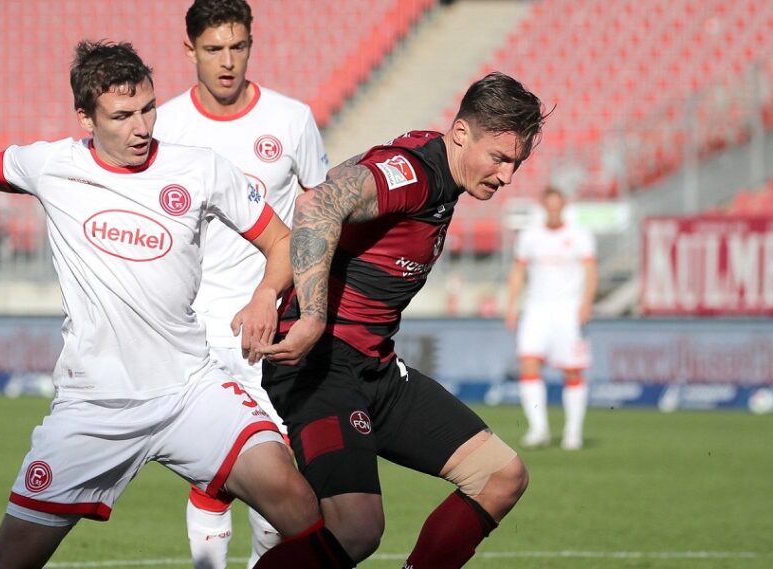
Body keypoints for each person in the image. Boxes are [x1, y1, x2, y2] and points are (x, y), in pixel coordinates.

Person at [0, 40, 354, 569]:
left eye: (148, 110)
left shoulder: (200, 168)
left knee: (297, 505)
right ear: (85, 118)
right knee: (10, 559)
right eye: (122, 116)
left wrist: (264, 295)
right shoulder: (51, 166)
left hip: (190, 389)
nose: (141, 127)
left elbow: (284, 241)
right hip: (96, 406)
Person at [258, 72, 547, 568]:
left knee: (501, 477)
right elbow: (318, 202)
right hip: (321, 366)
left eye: (515, 164)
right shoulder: (415, 173)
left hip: (375, 369)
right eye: (499, 158)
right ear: (462, 134)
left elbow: (335, 184)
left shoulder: (438, 170)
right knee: (357, 528)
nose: (507, 177)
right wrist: (310, 314)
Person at [153, 1, 328, 567]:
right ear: (189, 51)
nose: (227, 61)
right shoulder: (165, 127)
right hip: (194, 328)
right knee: (213, 474)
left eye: (238, 47)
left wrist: (303, 303)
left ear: (251, 44)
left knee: (277, 473)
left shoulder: (292, 119)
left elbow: (320, 219)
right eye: (213, 49)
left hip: (269, 322)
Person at [504, 187, 597, 451]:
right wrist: (511, 306)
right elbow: (518, 272)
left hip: (568, 309)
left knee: (572, 370)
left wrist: (586, 302)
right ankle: (539, 429)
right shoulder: (530, 236)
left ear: (563, 206)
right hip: (536, 309)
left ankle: (573, 433)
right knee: (529, 364)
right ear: (543, 206)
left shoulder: (579, 235)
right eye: (549, 205)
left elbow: (591, 271)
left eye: (558, 205)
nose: (554, 210)